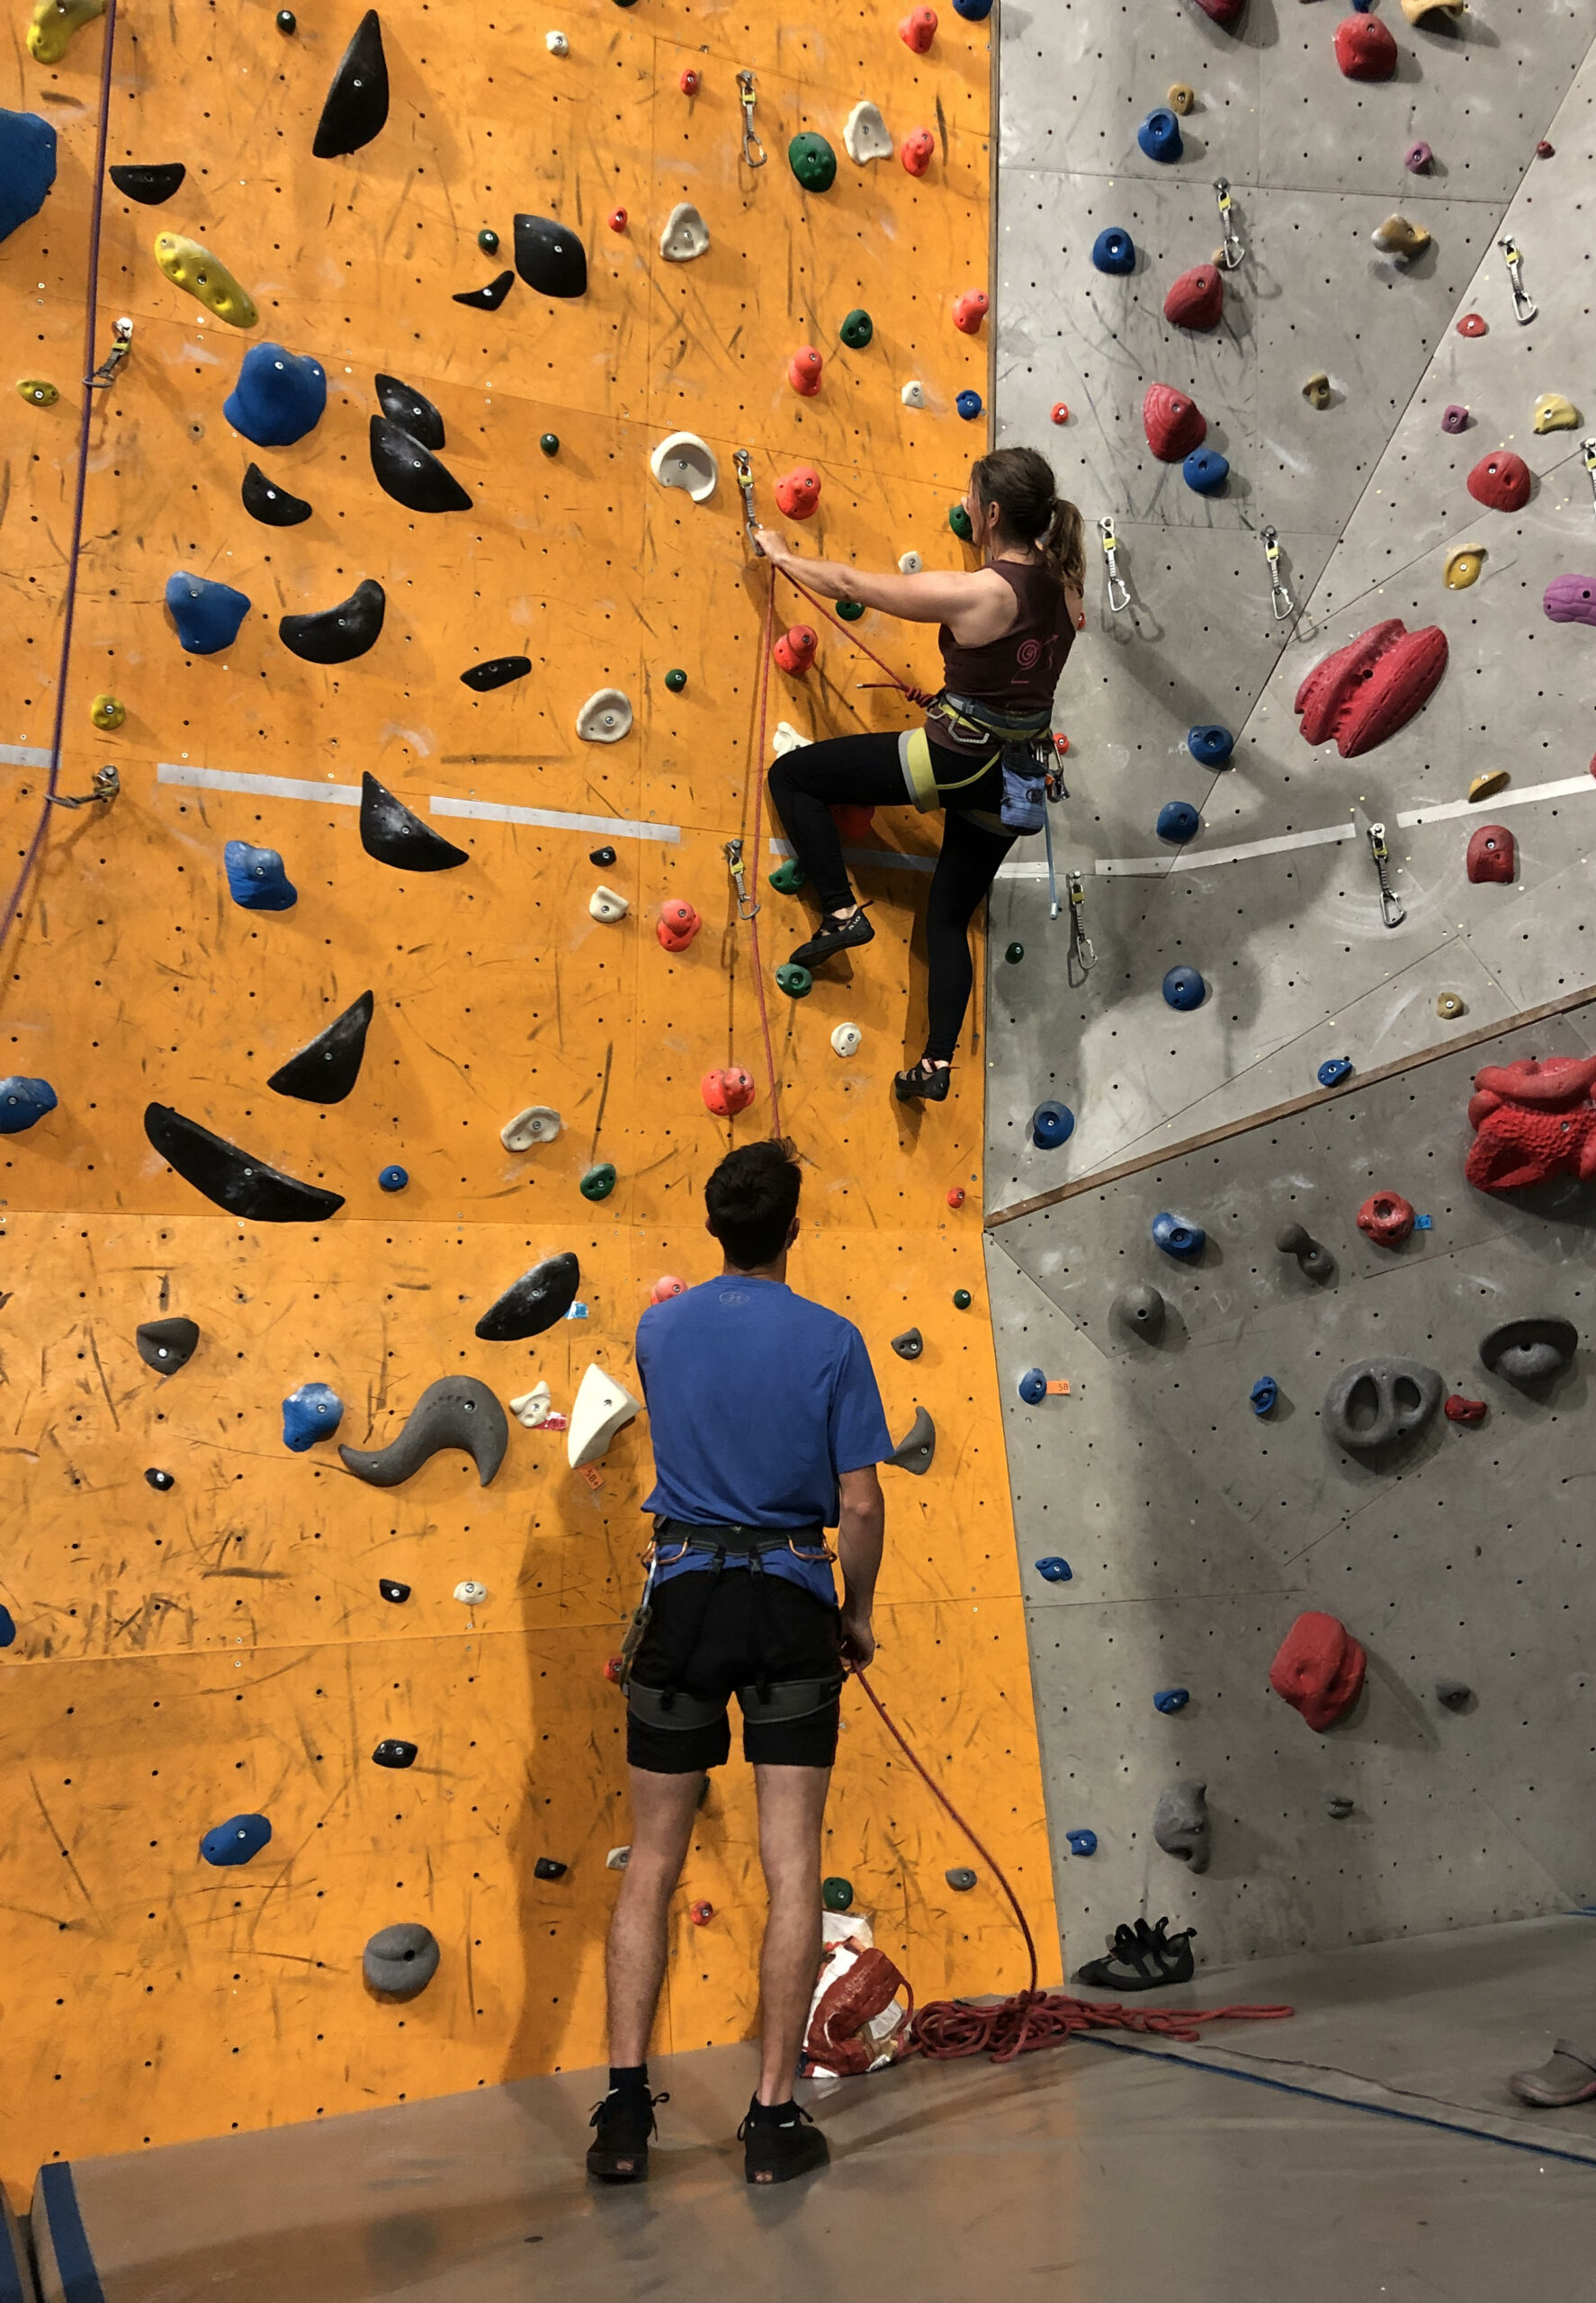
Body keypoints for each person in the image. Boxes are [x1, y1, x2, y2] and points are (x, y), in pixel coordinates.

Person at [587, 1138, 890, 2190]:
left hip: (683, 1598)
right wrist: (856, 1615)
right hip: (790, 1603)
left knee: (652, 1863)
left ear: (717, 1225)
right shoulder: (835, 1340)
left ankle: (623, 2118)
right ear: (794, 1227)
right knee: (792, 1862)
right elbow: (856, 1500)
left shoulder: (658, 1328)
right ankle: (770, 2123)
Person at [758, 445, 1085, 1106]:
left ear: (990, 512)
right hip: (1015, 783)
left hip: (954, 760)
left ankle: (841, 910)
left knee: (793, 776)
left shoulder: (980, 592)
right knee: (948, 917)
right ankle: (934, 1064)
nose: (965, 506)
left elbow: (853, 586)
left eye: (971, 498)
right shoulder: (1068, 585)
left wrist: (783, 557)